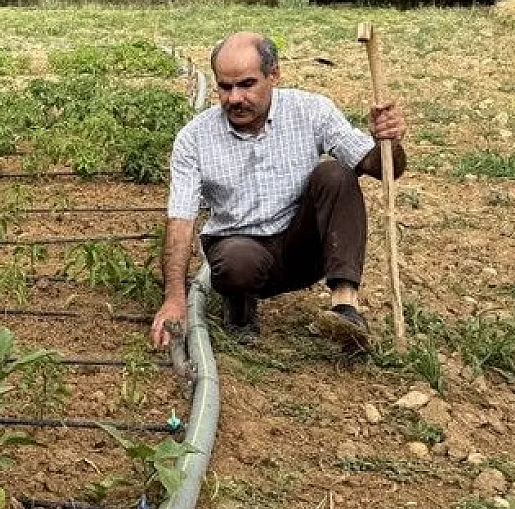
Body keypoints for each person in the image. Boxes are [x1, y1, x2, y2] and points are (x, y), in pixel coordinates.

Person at [149, 31, 407, 350]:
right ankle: (240, 312)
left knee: (336, 173)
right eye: (224, 87)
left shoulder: (311, 111)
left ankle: (345, 307)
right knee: (236, 260)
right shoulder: (195, 138)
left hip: (302, 248)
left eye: (246, 84)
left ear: (274, 75)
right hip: (239, 248)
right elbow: (181, 220)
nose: (234, 98)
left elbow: (383, 168)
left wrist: (389, 141)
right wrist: (175, 298)